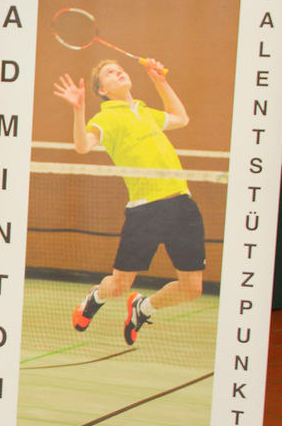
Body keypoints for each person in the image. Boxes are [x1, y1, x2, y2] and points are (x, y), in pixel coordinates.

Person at [53, 58, 205, 345]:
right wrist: (78, 109)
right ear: (102, 90)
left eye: (119, 69)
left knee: (192, 288)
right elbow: (83, 145)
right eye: (110, 73)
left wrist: (160, 80)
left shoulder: (145, 112)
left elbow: (181, 118)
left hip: (182, 205)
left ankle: (143, 308)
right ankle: (95, 297)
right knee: (118, 286)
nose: (118, 72)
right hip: (145, 210)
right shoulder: (106, 118)